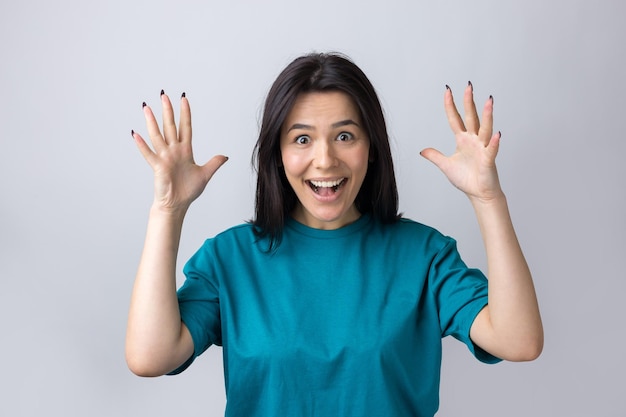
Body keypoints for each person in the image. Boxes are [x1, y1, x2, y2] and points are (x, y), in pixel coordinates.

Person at [126, 52, 543, 416]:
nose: (324, 160)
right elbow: (150, 356)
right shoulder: (230, 259)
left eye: (345, 136)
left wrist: (489, 199)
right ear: (278, 155)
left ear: (371, 147)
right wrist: (168, 210)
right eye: (302, 139)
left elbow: (518, 341)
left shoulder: (424, 255)